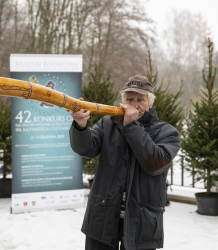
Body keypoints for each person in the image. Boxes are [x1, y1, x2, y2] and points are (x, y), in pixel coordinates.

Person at [69, 75, 180, 250]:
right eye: (129, 98)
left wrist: (131, 126)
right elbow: (86, 149)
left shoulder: (168, 133)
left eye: (140, 99)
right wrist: (81, 126)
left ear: (150, 103)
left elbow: (154, 163)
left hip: (142, 224)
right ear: (122, 101)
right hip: (102, 218)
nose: (134, 104)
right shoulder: (108, 123)